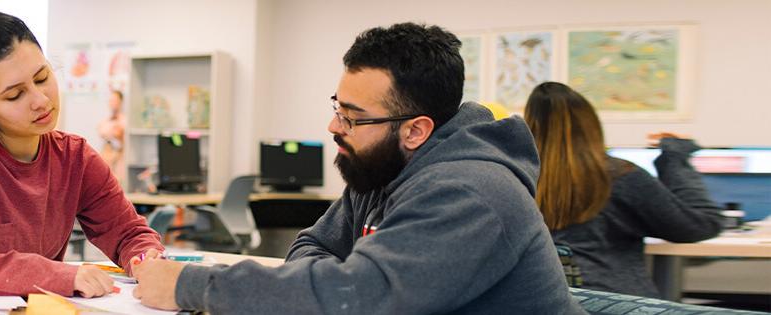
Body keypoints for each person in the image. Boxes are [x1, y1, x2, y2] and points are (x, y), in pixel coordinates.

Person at [130, 23, 584, 314]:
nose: (333, 125)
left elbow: (356, 297)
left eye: (353, 116)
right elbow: (313, 247)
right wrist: (333, 283)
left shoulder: (473, 192)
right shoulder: (379, 167)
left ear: (415, 130)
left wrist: (188, 284)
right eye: (337, 107)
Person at [0, 3, 163, 298]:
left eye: (42, 78)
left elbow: (128, 233)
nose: (40, 100)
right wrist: (53, 275)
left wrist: (145, 259)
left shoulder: (76, 157)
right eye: (15, 95)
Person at [523, 81, 723, 298]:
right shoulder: (619, 177)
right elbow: (699, 225)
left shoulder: (512, 178)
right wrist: (675, 158)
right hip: (615, 302)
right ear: (592, 128)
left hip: (541, 302)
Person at [97, 89, 126, 178]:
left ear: (121, 102)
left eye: (115, 100)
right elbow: (102, 132)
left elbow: (119, 136)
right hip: (106, 157)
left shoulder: (124, 121)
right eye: (111, 100)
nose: (113, 103)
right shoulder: (105, 120)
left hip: (118, 158)